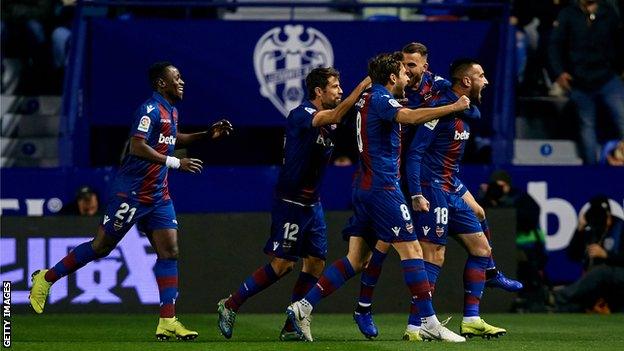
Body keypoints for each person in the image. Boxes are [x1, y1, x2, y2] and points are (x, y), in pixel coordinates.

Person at [28, 61, 233, 341]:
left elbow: (173, 139)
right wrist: (175, 162)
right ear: (162, 83)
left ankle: (168, 320)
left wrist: (207, 135)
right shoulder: (149, 109)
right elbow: (137, 146)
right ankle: (46, 278)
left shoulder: (171, 111)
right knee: (101, 246)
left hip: (158, 196)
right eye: (177, 78)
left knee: (169, 252)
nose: (182, 82)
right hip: (132, 194)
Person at [285, 53, 470, 342]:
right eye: (404, 74)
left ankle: (303, 307)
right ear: (393, 77)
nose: (409, 78)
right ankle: (428, 322)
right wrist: (452, 106)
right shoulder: (382, 99)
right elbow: (407, 117)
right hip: (383, 188)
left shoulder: (369, 98)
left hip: (364, 187)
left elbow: (397, 112)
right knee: (413, 252)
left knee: (356, 259)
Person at [353, 44, 521, 341]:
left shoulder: (442, 90)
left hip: (446, 181)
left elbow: (474, 112)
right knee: (386, 251)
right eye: (403, 67)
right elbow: (414, 146)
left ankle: (472, 315)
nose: (408, 71)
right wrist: (417, 192)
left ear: (425, 67)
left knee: (479, 234)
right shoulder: (404, 99)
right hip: (409, 182)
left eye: (412, 66)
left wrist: (458, 103)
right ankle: (404, 320)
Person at [216, 68, 372, 341]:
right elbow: (336, 114)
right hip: (291, 202)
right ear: (318, 92)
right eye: (335, 87)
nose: (340, 91)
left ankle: (292, 326)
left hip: (313, 203)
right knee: (282, 266)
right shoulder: (301, 114)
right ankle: (230, 305)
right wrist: (362, 86)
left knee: (315, 264)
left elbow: (344, 115)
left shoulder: (331, 121)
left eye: (340, 86)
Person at [403, 59, 509, 339]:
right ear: (466, 81)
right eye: (481, 75)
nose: (486, 81)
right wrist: (416, 193)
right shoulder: (441, 110)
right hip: (431, 187)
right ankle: (417, 325)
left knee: (481, 249)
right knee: (434, 255)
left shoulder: (465, 109)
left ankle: (472, 318)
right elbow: (415, 154)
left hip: (450, 185)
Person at [549, 0, 624, 164]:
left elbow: (619, 42)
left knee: (622, 118)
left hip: (607, 77)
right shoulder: (568, 13)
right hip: (580, 81)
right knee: (586, 127)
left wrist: (618, 68)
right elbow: (555, 45)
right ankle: (591, 170)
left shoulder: (609, 12)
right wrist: (559, 72)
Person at [553, 195, 624, 312]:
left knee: (601, 271)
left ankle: (558, 296)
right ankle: (556, 305)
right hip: (599, 284)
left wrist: (606, 255)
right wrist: (579, 230)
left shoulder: (621, 228)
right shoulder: (592, 229)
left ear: (608, 214)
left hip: (618, 276)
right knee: (570, 308)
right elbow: (573, 255)